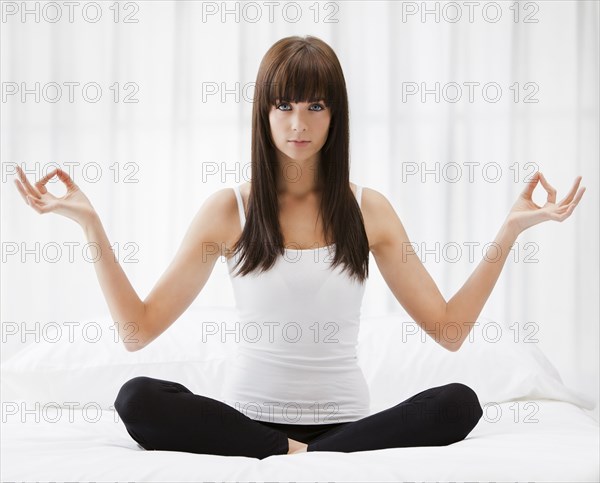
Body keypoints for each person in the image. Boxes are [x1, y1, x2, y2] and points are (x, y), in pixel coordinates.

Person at [14, 35, 585, 460]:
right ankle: (289, 451)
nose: (298, 122)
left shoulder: (369, 209)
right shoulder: (228, 210)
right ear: (263, 113)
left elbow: (449, 330)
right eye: (284, 105)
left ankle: (306, 455)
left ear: (335, 114)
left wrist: (508, 233)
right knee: (137, 398)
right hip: (246, 424)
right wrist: (91, 226)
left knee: (458, 402)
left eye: (316, 105)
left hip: (348, 425)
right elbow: (138, 331)